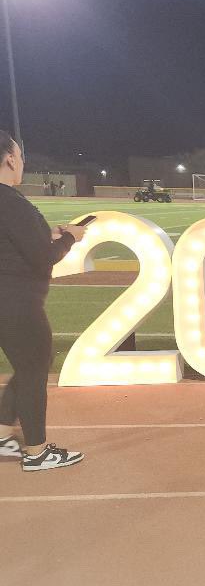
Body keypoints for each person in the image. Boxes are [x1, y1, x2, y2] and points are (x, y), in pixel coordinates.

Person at [0, 131, 87, 471]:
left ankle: (2, 434)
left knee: (34, 362)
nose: (22, 163)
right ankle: (37, 452)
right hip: (16, 300)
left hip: (8, 298)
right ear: (10, 159)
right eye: (20, 157)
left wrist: (46, 236)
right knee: (34, 371)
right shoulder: (10, 200)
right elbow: (42, 258)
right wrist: (70, 238)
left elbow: (15, 243)